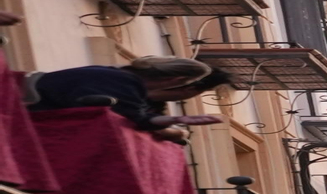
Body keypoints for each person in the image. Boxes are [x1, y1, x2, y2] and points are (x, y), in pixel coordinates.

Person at [26, 55, 227, 140]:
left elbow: (136, 115)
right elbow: (135, 119)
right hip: (35, 122)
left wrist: (177, 120)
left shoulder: (111, 73)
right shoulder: (127, 86)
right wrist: (179, 121)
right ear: (179, 79)